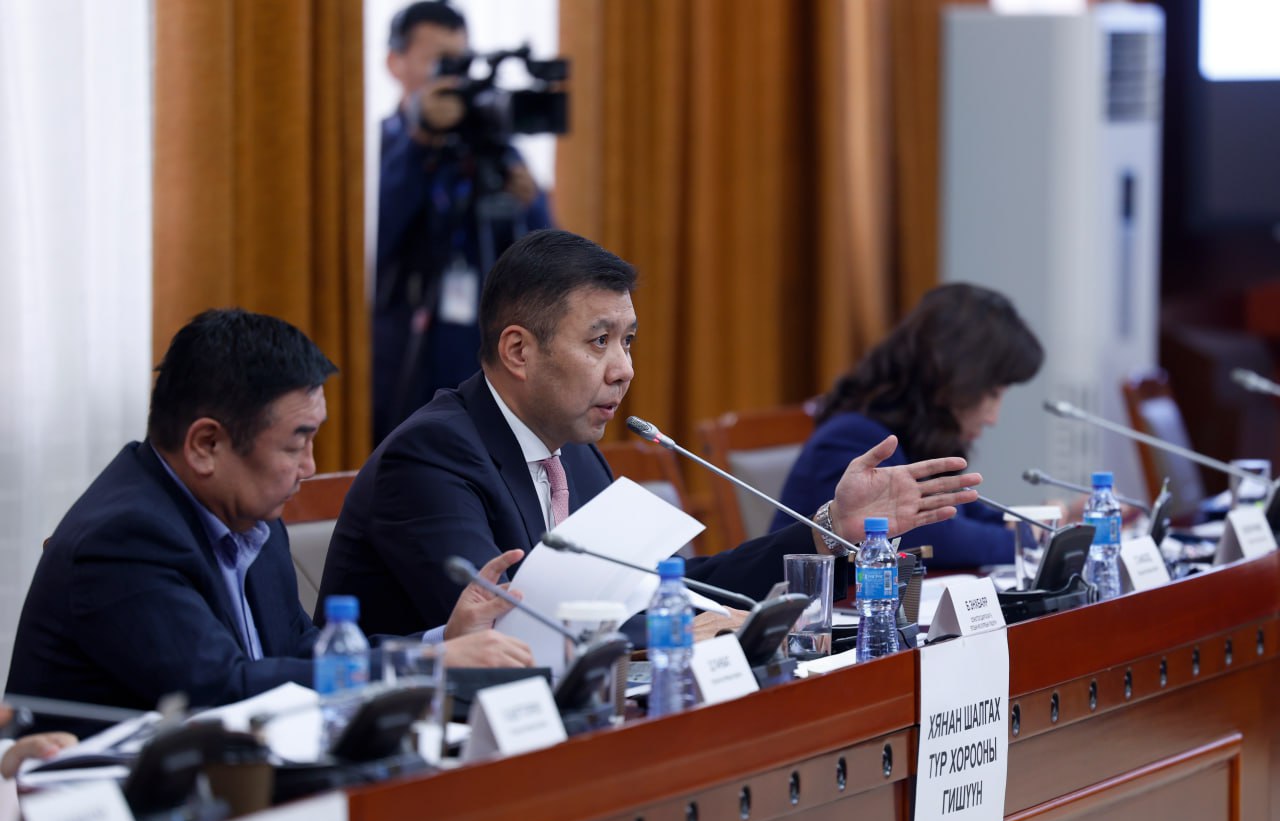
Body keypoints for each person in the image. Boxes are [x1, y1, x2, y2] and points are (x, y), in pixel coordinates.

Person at [319, 229, 982, 636]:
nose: (624, 369)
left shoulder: (575, 456)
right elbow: (517, 625)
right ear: (518, 350)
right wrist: (685, 629)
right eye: (599, 341)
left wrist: (828, 529)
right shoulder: (433, 456)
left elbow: (663, 588)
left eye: (628, 340)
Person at [6, 309, 531, 734]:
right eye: (295, 444)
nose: (311, 467)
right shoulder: (124, 539)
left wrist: (441, 643)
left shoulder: (249, 518)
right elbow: (224, 692)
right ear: (206, 445)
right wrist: (427, 669)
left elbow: (299, 651)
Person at [376, 1, 554, 442]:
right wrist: (421, 140)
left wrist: (528, 199)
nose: (453, 77)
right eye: (440, 62)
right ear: (395, 63)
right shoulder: (382, 145)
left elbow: (546, 251)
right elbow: (377, 234)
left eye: (461, 61)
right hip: (404, 348)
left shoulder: (490, 147)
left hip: (480, 344)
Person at [771, 283, 1045, 568]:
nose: (992, 418)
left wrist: (1037, 524)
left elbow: (962, 512)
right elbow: (929, 537)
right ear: (953, 377)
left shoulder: (915, 434)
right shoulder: (854, 436)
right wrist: (1027, 541)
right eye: (993, 393)